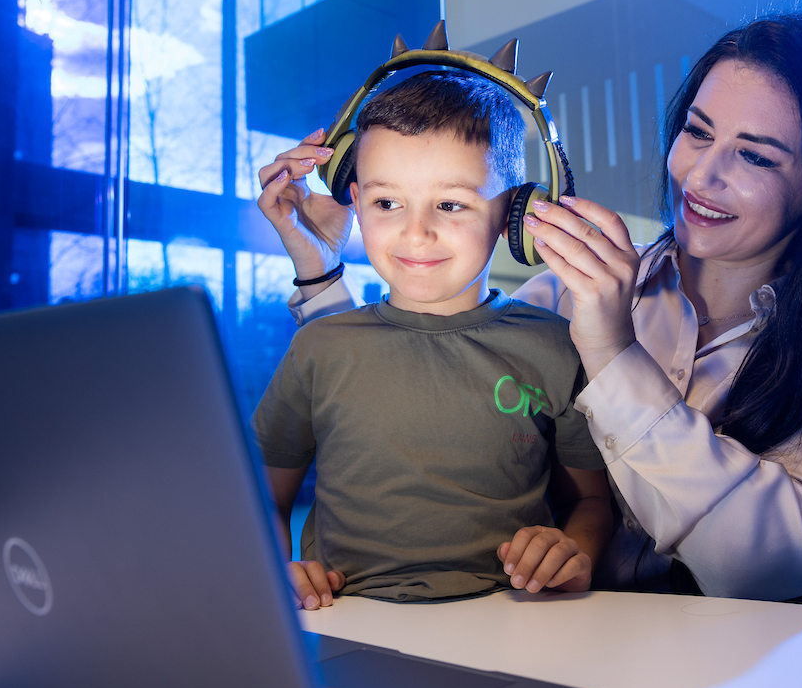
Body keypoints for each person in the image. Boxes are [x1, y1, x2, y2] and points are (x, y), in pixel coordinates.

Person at [257, 10, 802, 603]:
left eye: (755, 158)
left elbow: (768, 568)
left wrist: (616, 357)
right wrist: (320, 272)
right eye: (697, 132)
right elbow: (403, 376)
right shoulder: (566, 289)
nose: (702, 175)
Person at [253, 69, 611, 611]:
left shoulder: (558, 346)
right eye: (387, 203)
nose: (415, 233)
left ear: (516, 213)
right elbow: (260, 503)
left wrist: (573, 550)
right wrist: (276, 574)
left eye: (450, 205)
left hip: (512, 623)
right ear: (356, 200)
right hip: (347, 620)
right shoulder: (318, 348)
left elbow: (591, 503)